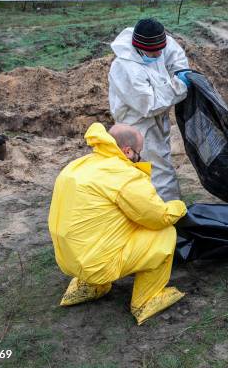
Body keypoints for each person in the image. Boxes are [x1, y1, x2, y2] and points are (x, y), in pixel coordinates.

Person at [48, 122, 188, 325]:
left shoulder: (80, 165)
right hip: (96, 264)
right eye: (139, 151)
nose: (141, 155)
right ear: (128, 151)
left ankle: (88, 287)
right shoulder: (124, 176)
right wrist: (179, 207)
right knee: (164, 233)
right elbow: (158, 217)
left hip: (69, 259)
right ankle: (146, 301)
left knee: (100, 227)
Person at [108, 18, 191, 201]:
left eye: (159, 51)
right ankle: (167, 211)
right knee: (156, 169)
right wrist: (179, 86)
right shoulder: (124, 68)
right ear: (138, 47)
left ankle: (151, 206)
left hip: (158, 118)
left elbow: (174, 54)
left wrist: (180, 71)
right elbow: (150, 104)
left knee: (159, 160)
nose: (157, 55)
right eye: (152, 53)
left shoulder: (158, 42)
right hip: (137, 123)